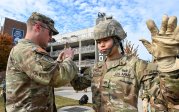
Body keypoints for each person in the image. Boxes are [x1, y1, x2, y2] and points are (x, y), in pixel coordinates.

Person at [70, 14, 158, 112]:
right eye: (99, 42)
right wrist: (68, 64)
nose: (101, 45)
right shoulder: (95, 68)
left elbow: (161, 92)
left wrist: (167, 62)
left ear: (117, 40)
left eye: (106, 40)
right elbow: (78, 85)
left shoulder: (135, 65)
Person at [5, 12, 78, 112]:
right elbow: (58, 78)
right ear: (38, 27)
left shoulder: (29, 50)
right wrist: (69, 58)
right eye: (50, 33)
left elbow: (41, 76)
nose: (51, 37)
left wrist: (58, 62)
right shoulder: (28, 51)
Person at [140, 15, 179, 112]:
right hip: (156, 105)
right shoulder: (152, 64)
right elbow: (148, 82)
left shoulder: (176, 64)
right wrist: (145, 98)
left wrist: (168, 63)